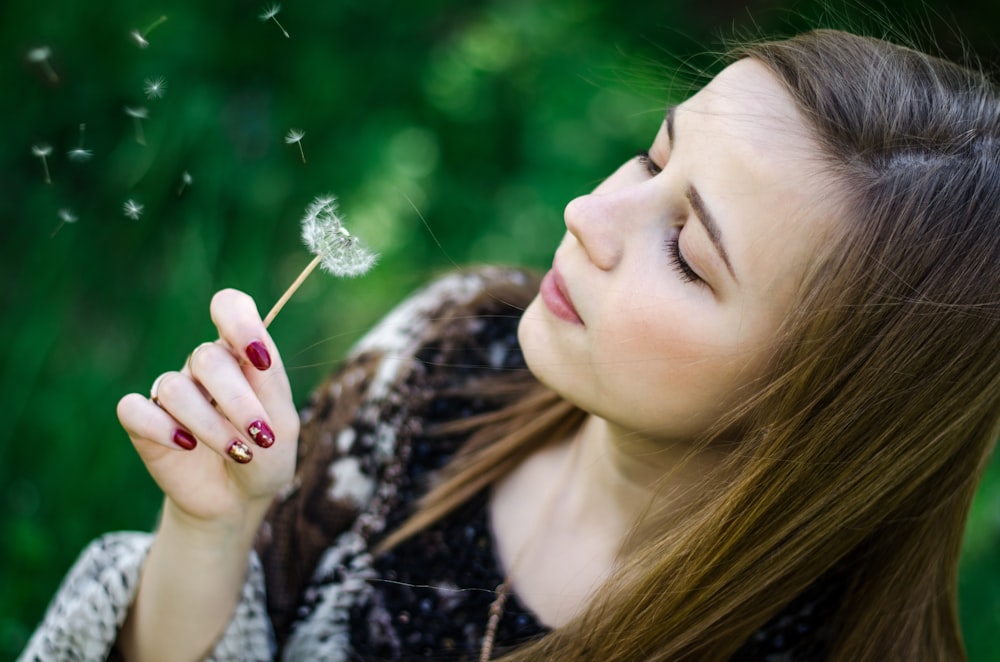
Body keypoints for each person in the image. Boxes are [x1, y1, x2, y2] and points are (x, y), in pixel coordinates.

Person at [20, 28, 1000, 661]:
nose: (588, 212)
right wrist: (215, 527)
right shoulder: (454, 343)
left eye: (688, 253)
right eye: (651, 157)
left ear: (822, 403)